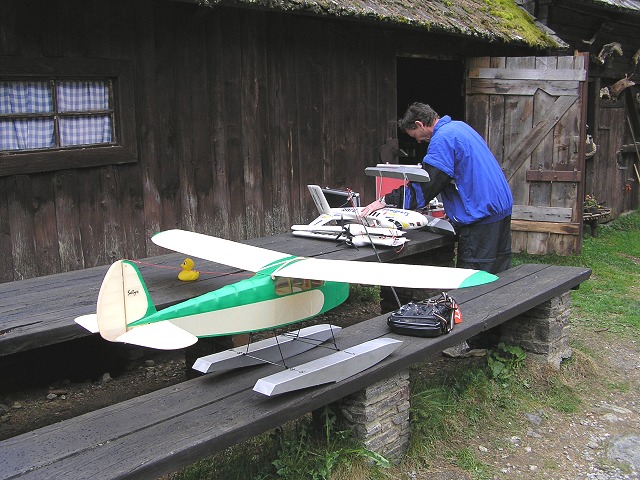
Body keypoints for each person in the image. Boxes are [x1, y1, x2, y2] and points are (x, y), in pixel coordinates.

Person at [370, 102, 513, 275]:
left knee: (473, 279)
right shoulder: (460, 127)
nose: (417, 140)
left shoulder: (442, 139)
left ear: (419, 124)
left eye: (414, 134)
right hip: (501, 209)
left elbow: (427, 184)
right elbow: (463, 173)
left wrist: (387, 201)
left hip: (481, 215)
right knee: (499, 274)